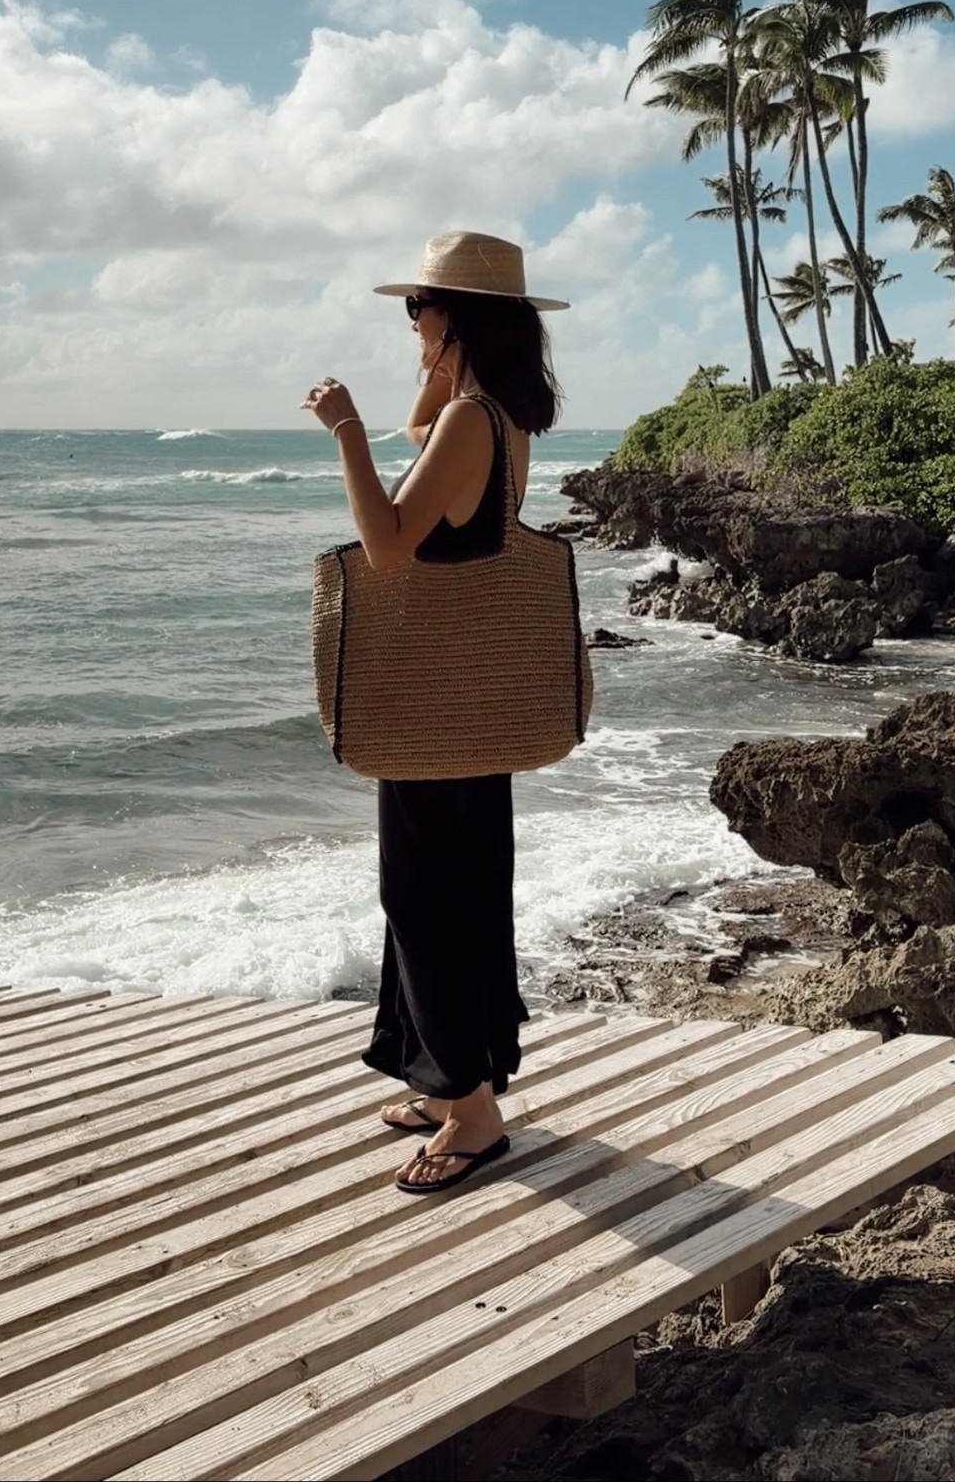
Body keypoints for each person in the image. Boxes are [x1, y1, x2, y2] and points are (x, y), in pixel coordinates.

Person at [301, 231, 568, 1194]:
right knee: (459, 891)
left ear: (458, 316)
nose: (408, 322)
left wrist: (343, 431)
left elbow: (386, 548)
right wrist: (441, 362)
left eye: (418, 307)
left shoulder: (470, 423)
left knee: (422, 899)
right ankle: (446, 1075)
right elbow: (430, 437)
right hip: (475, 699)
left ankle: (472, 1114)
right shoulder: (497, 417)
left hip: (432, 704)